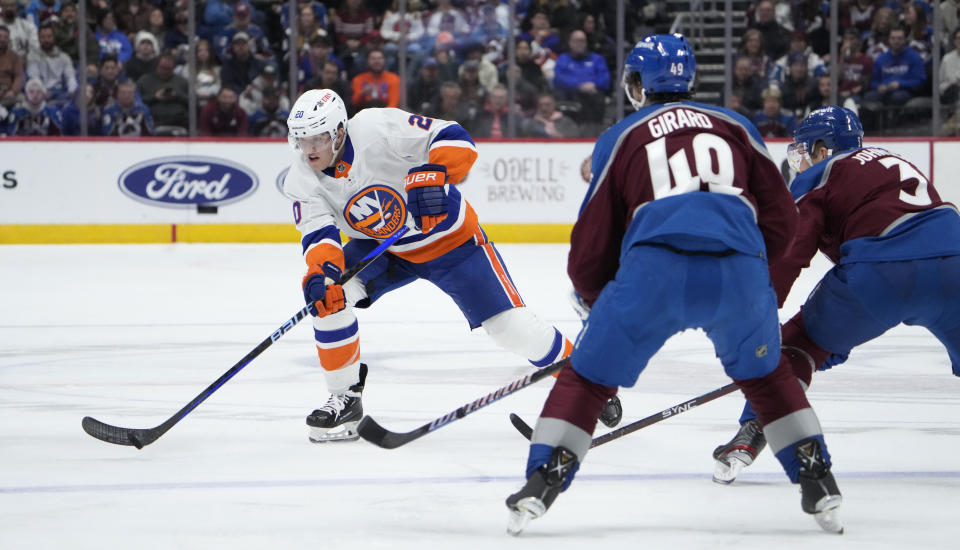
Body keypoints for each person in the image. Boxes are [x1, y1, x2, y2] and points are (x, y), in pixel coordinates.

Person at [504, 33, 843, 536]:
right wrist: (750, 271)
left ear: (638, 84)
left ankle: (541, 484)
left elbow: (592, 243)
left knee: (589, 379)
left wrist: (600, 303)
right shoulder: (737, 126)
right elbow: (781, 221)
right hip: (739, 273)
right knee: (767, 377)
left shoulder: (621, 135)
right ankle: (819, 480)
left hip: (653, 274)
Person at [281, 88, 623, 443]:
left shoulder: (375, 127)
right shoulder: (301, 179)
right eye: (301, 141)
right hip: (382, 250)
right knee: (330, 300)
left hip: (451, 243)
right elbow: (319, 238)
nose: (309, 150)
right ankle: (345, 400)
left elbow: (455, 138)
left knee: (511, 329)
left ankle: (589, 383)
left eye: (317, 138)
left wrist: (434, 172)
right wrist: (322, 275)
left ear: (338, 131)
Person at [711, 106, 960, 484]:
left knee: (797, 346)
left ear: (824, 148)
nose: (803, 160)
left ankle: (752, 432)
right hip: (955, 265)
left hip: (881, 275)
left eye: (807, 150)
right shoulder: (894, 159)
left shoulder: (820, 173)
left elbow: (788, 251)